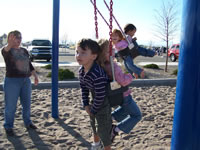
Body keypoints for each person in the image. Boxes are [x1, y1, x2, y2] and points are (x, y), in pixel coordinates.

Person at [97, 39, 142, 143]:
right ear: (105, 53)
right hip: (123, 95)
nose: (113, 50)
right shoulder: (113, 66)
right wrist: (131, 76)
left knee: (126, 110)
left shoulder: (102, 65)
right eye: (110, 49)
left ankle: (110, 117)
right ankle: (115, 129)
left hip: (115, 95)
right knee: (136, 115)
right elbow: (123, 81)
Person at [75, 38, 112, 150]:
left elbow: (101, 95)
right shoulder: (81, 71)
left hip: (103, 103)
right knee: (93, 124)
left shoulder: (97, 74)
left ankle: (106, 147)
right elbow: (84, 88)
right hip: (94, 100)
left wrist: (93, 110)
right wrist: (86, 104)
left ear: (94, 56)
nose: (78, 55)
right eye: (77, 52)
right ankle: (96, 145)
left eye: (83, 53)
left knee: (103, 130)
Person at [1, 30, 39, 136]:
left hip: (25, 80)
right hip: (12, 81)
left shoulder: (24, 50)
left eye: (20, 37)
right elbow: (5, 50)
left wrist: (35, 76)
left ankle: (28, 122)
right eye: (16, 37)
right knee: (11, 106)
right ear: (10, 38)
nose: (18, 40)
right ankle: (8, 126)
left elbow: (29, 64)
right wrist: (10, 43)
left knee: (26, 104)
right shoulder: (7, 50)